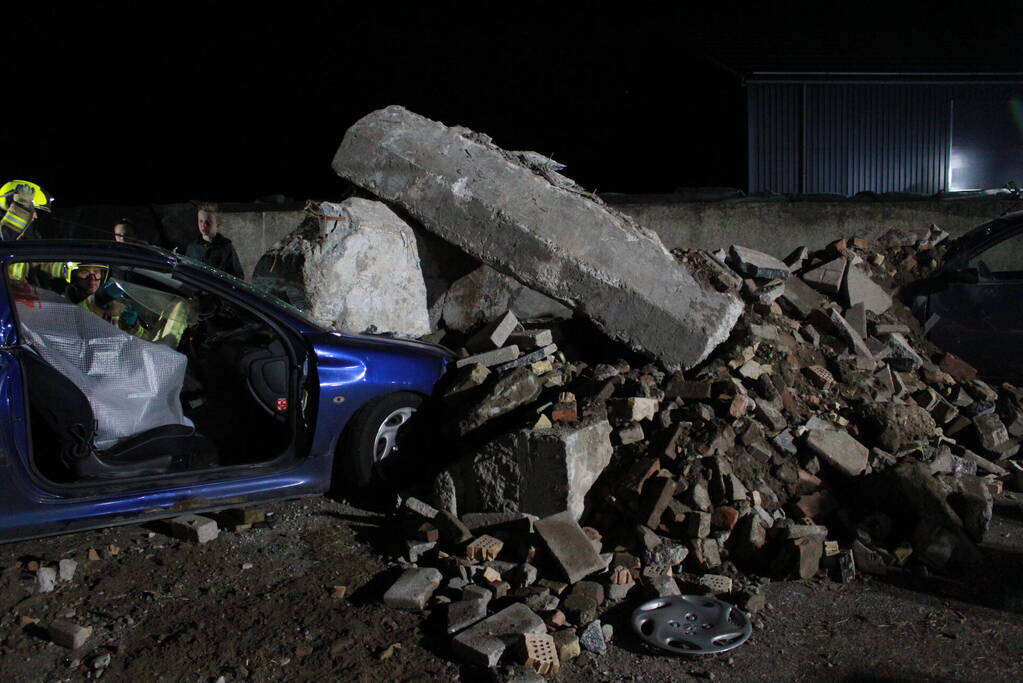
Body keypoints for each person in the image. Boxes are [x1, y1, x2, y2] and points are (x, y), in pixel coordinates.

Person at [62, 263, 145, 337]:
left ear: (103, 275)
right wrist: (101, 299)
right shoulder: (62, 301)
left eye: (96, 272)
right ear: (74, 275)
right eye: (85, 272)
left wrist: (132, 326)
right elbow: (75, 321)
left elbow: (147, 341)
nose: (92, 279)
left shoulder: (118, 304)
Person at [185, 202, 243, 279]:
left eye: (208, 222)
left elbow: (238, 276)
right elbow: (186, 273)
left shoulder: (226, 247)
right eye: (201, 221)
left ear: (217, 224)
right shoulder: (192, 247)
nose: (203, 225)